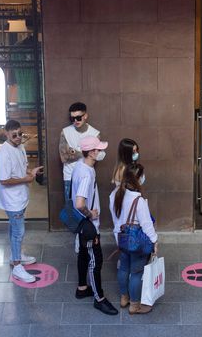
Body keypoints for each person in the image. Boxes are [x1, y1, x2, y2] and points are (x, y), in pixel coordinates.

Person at [71, 135, 118, 315]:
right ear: (90, 152)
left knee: (83, 255)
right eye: (98, 149)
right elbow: (79, 203)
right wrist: (91, 214)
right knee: (95, 261)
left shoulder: (81, 166)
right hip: (89, 226)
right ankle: (99, 299)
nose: (100, 152)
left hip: (81, 226)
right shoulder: (86, 174)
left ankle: (82, 288)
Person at [0, 119, 43, 283]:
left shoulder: (20, 147)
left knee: (15, 229)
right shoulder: (3, 154)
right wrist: (26, 179)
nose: (18, 137)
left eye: (20, 134)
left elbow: (22, 167)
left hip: (20, 197)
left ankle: (16, 256)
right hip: (12, 200)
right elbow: (4, 180)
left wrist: (31, 172)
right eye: (14, 135)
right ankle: (17, 266)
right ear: (6, 134)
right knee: (18, 232)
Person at [110, 163, 158, 315]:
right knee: (136, 273)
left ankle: (124, 298)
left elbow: (116, 220)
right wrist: (154, 241)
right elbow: (146, 225)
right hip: (137, 241)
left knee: (124, 268)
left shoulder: (116, 195)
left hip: (122, 238)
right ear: (137, 178)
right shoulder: (138, 200)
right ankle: (135, 305)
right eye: (142, 175)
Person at [59, 102, 100, 203]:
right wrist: (86, 152)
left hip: (87, 176)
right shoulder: (65, 132)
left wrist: (73, 151)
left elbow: (96, 157)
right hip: (69, 177)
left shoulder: (95, 134)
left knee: (87, 209)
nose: (75, 121)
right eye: (72, 118)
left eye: (78, 117)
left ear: (85, 116)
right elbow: (64, 157)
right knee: (71, 212)